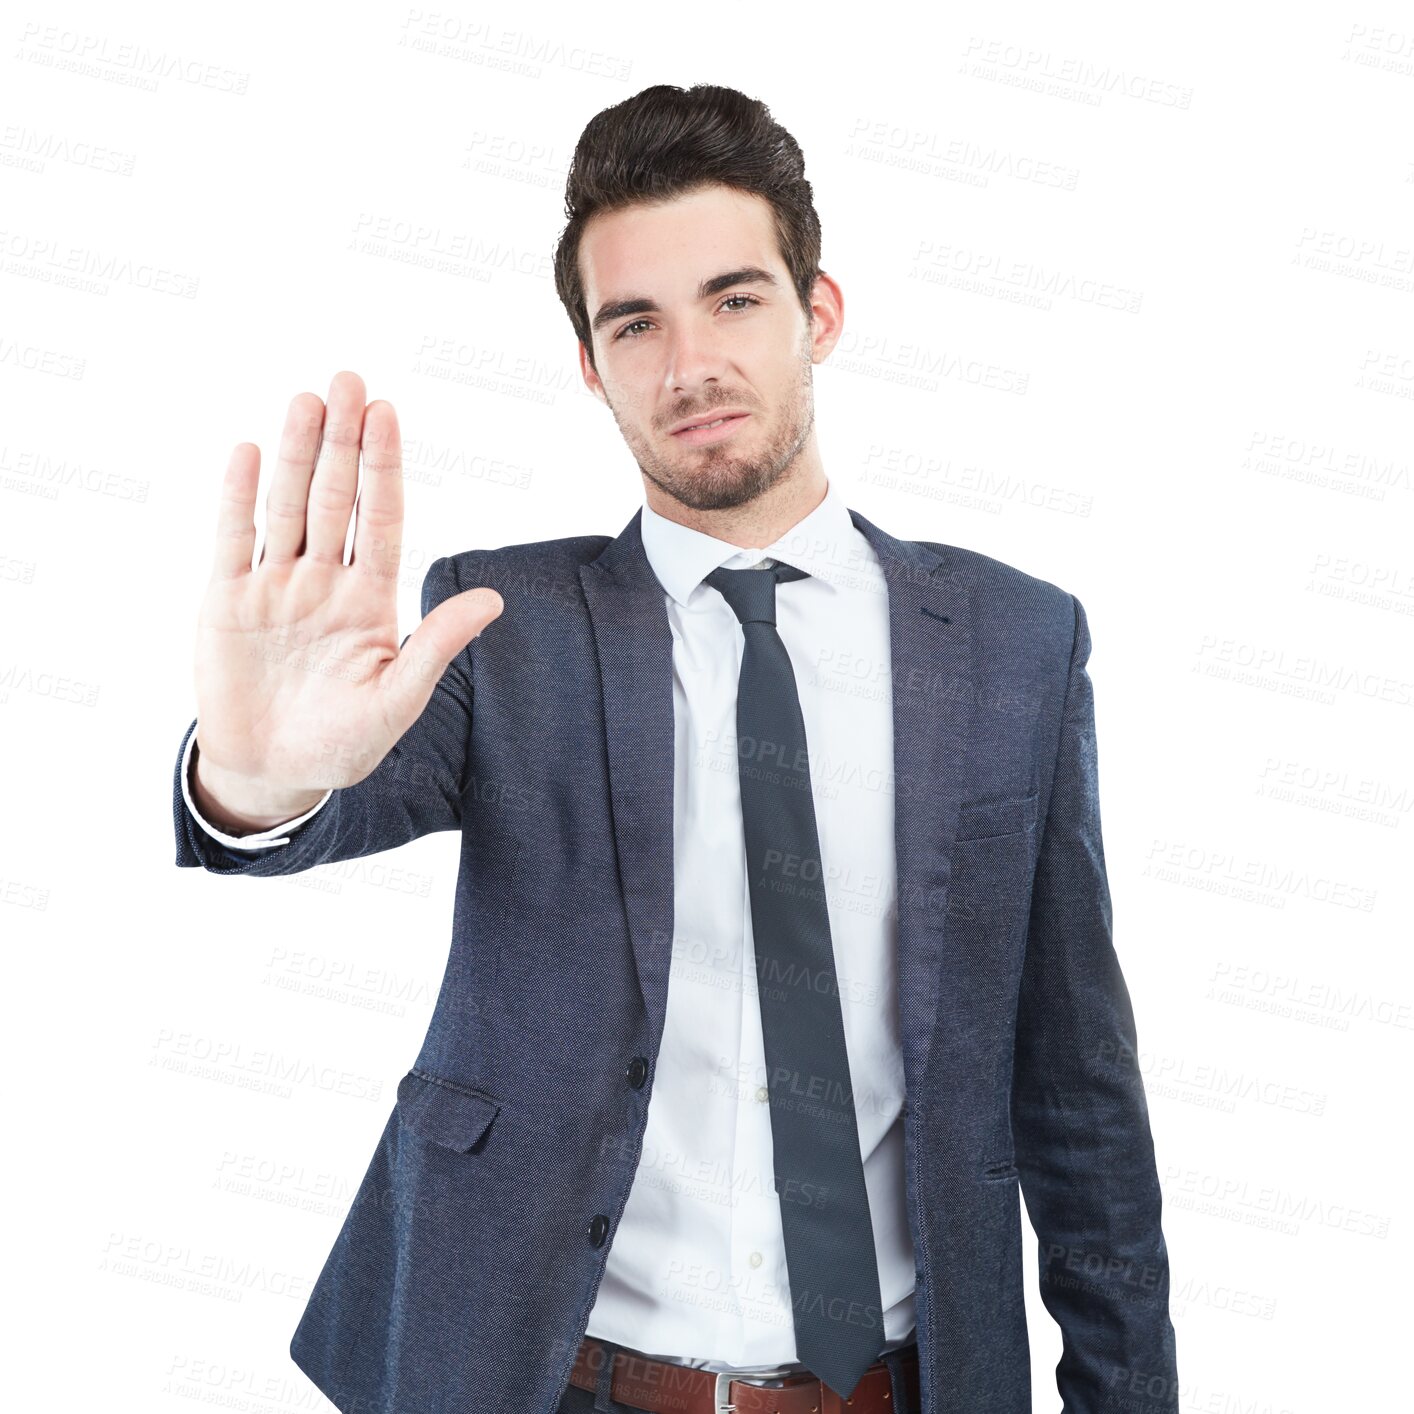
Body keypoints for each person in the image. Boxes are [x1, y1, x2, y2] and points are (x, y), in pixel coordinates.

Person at [173, 83, 1179, 1414]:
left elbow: (1076, 1091)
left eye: (733, 299)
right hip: (553, 1381)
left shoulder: (1012, 641)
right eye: (633, 323)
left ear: (817, 312)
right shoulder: (504, 623)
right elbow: (324, 796)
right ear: (590, 364)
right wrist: (256, 772)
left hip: (893, 1388)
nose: (686, 362)